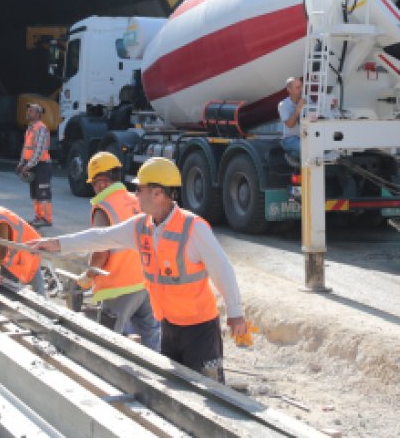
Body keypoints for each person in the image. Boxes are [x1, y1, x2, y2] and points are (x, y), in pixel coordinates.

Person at [30, 157, 247, 382]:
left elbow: (222, 268)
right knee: (177, 393)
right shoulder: (141, 226)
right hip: (170, 327)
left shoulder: (193, 228)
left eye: (139, 189)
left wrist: (235, 313)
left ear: (158, 193)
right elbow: (101, 238)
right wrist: (56, 243)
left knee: (210, 394)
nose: (135, 195)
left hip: (200, 330)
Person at [76, 152, 160, 351]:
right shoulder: (136, 200)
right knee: (151, 341)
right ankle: (156, 379)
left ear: (100, 182)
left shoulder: (104, 207)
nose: (94, 189)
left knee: (108, 342)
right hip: (146, 282)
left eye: (94, 184)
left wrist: (89, 275)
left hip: (118, 287)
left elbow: (100, 252)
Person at [18, 103, 53, 227]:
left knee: (43, 192)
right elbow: (26, 147)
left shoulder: (41, 128)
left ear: (38, 114)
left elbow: (39, 151)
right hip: (32, 164)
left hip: (42, 165)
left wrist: (28, 166)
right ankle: (38, 217)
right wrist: (22, 163)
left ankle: (47, 219)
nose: (28, 113)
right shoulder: (30, 128)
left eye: (31, 111)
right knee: (35, 193)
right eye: (28, 110)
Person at [278, 76, 304, 165]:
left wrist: (331, 106)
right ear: (289, 90)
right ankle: (293, 156)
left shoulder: (307, 101)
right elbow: (290, 124)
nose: (301, 89)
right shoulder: (283, 105)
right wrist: (298, 109)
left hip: (305, 136)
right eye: (297, 87)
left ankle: (293, 156)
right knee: (306, 148)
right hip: (290, 139)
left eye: (301, 86)